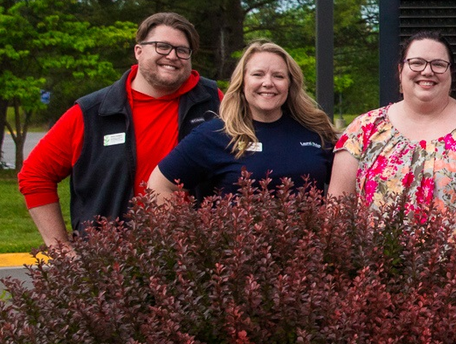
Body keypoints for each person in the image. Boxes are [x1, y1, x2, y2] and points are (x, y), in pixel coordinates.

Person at [328, 32, 456, 271]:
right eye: (416, 62)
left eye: (438, 64)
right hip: (378, 284)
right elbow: (338, 206)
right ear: (400, 70)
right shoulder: (364, 129)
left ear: (450, 73)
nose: (427, 71)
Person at [18, 12, 221, 244]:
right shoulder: (93, 112)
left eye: (182, 50)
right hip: (113, 262)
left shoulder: (215, 104)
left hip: (196, 258)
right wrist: (60, 248)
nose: (172, 56)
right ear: (138, 51)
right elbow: (35, 175)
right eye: (162, 46)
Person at [147, 41, 334, 201]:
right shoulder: (214, 135)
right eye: (258, 74)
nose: (268, 83)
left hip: (307, 243)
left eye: (278, 76)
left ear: (290, 84)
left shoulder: (315, 131)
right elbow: (159, 185)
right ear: (242, 82)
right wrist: (188, 235)